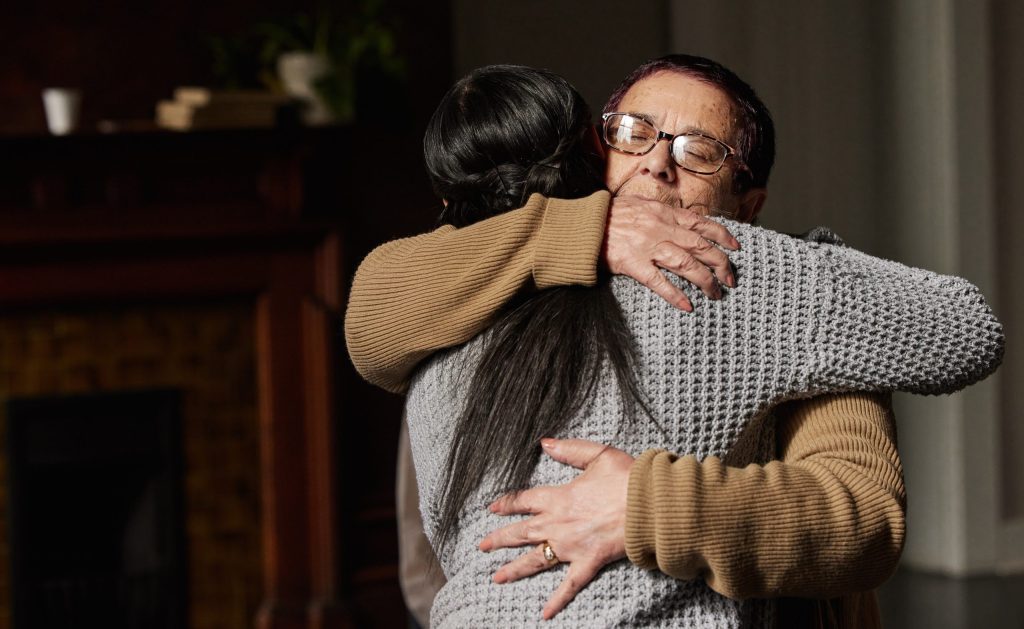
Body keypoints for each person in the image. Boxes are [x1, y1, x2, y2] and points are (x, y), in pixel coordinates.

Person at [346, 58, 1003, 627]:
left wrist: (643, 506)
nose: (656, 163)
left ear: (748, 206)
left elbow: (864, 521)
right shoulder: (491, 277)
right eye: (633, 134)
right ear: (593, 151)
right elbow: (370, 312)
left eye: (699, 150)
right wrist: (580, 230)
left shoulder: (765, 283)